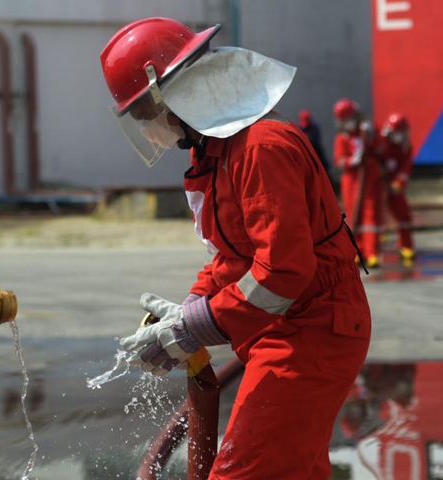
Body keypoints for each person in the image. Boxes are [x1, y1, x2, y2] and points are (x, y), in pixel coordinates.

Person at [100, 18, 371, 479]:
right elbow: (232, 257)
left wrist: (199, 325)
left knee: (243, 472)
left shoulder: (261, 148)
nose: (147, 126)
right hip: (284, 328)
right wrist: (189, 309)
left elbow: (282, 272)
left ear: (172, 92)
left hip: (314, 330)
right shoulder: (216, 149)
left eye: (145, 110)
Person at [333, 99, 383, 269]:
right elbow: (339, 161)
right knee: (354, 215)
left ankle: (372, 253)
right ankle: (357, 251)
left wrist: (370, 136)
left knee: (371, 215)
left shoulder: (366, 132)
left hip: (369, 179)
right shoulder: (342, 138)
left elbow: (379, 150)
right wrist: (351, 160)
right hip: (351, 181)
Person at [380, 113, 416, 266]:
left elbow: (405, 168)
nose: (399, 136)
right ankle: (370, 251)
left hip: (395, 188)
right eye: (396, 132)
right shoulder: (381, 144)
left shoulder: (405, 147)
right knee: (374, 219)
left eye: (401, 133)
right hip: (380, 187)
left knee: (404, 216)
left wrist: (398, 183)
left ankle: (406, 247)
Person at [298, 109, 335, 190]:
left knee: (324, 171)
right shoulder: (299, 128)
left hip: (317, 152)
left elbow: (314, 141)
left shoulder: (314, 127)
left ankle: (330, 188)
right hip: (306, 153)